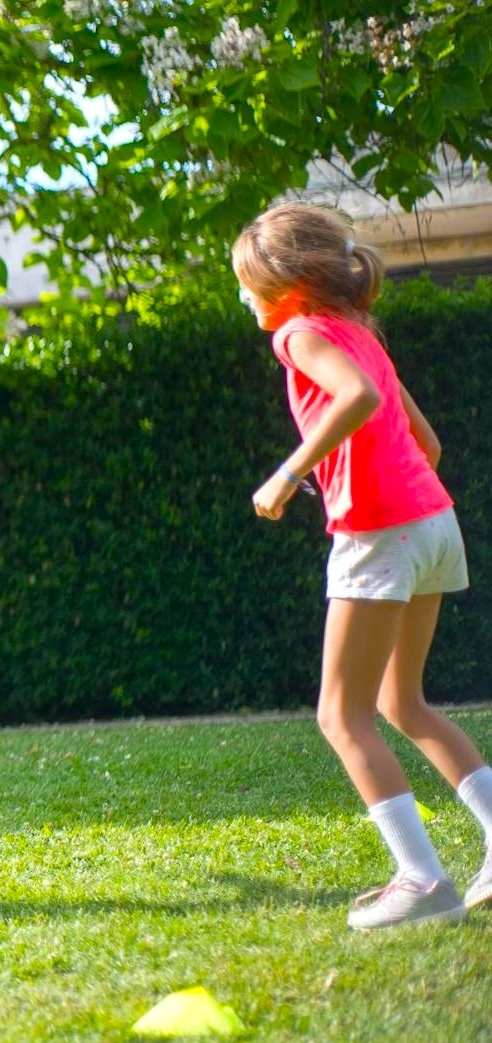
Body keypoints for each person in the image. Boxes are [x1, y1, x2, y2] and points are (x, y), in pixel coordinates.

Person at [237, 201, 492, 929]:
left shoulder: (300, 334)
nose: (246, 298)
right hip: (433, 522)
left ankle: (422, 879)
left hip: (380, 532)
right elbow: (429, 444)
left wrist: (290, 474)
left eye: (250, 283)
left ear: (288, 284)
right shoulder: (360, 333)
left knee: (341, 714)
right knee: (401, 704)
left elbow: (357, 399)